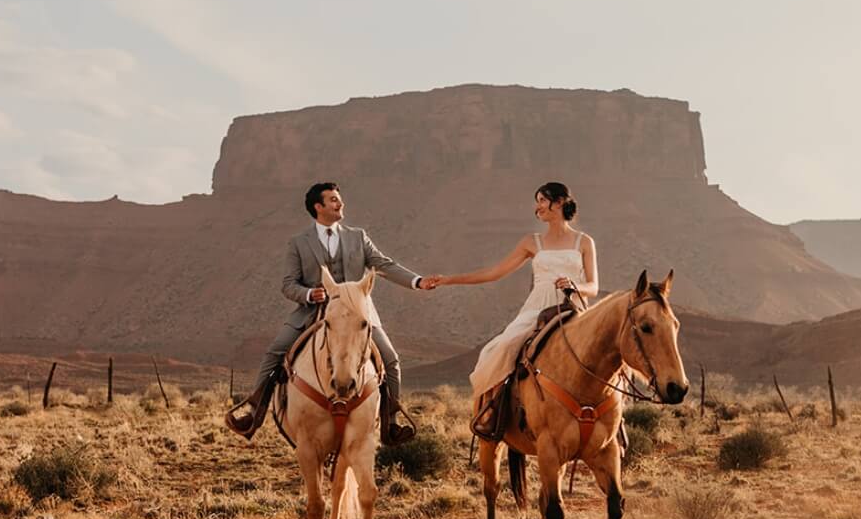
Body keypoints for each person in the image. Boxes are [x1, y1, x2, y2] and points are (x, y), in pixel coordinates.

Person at [225, 181, 436, 445]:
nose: (340, 203)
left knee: (390, 359)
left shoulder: (357, 236)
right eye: (334, 199)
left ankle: (391, 423)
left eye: (339, 199)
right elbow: (288, 284)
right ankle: (253, 413)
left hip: (358, 315)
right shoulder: (298, 243)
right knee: (275, 351)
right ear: (318, 207)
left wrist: (417, 281)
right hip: (312, 312)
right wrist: (308, 294)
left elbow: (384, 264)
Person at [428, 182, 598, 438]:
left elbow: (594, 286)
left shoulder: (584, 242)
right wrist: (449, 280)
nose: (537, 206)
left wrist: (576, 286)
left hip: (573, 306)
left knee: (605, 351)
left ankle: (613, 424)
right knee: (503, 348)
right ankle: (493, 412)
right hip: (538, 307)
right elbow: (494, 273)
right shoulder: (532, 242)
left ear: (560, 202)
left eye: (542, 200)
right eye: (537, 200)